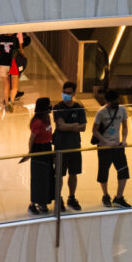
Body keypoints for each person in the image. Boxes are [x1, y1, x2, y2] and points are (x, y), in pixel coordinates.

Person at [92, 89, 130, 208]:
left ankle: (119, 197)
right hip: (104, 148)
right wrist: (106, 142)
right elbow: (94, 131)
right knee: (103, 172)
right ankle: (106, 195)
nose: (116, 103)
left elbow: (124, 127)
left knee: (123, 171)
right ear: (107, 101)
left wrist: (123, 140)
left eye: (117, 100)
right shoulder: (101, 112)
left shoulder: (122, 109)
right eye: (113, 101)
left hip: (118, 147)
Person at [52, 81, 87, 209]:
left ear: (73, 93)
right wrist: (74, 126)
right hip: (61, 146)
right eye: (64, 92)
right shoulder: (58, 107)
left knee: (74, 173)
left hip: (74, 146)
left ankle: (71, 197)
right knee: (59, 174)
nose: (66, 95)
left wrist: (67, 126)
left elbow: (83, 127)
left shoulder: (79, 107)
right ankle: (58, 198)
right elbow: (59, 126)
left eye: (69, 93)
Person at [27, 97, 55, 215]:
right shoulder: (37, 122)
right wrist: (30, 152)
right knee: (38, 177)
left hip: (47, 148)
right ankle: (33, 203)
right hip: (39, 150)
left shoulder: (47, 118)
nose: (50, 107)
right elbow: (31, 139)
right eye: (48, 105)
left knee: (47, 176)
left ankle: (43, 202)